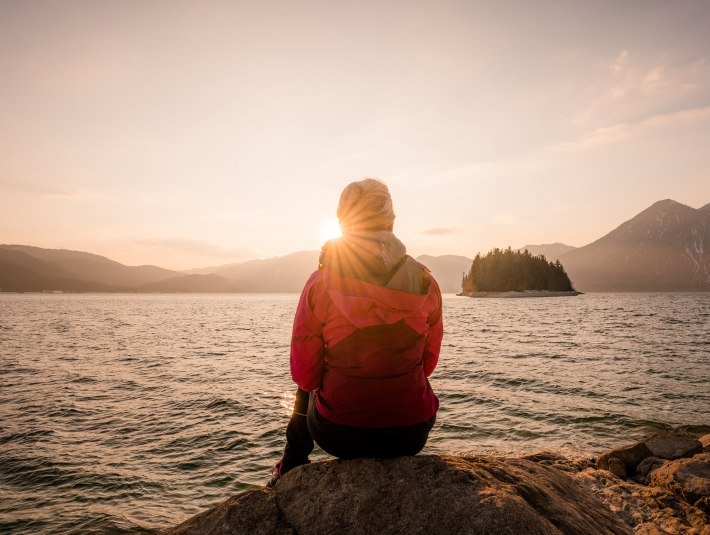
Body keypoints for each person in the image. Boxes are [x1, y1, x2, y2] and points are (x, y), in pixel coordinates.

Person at [268, 178, 443, 487]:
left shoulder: (319, 284)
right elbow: (428, 365)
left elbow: (306, 377)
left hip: (340, 435)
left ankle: (291, 467)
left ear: (342, 223)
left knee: (303, 391)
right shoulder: (426, 284)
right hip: (411, 434)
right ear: (392, 220)